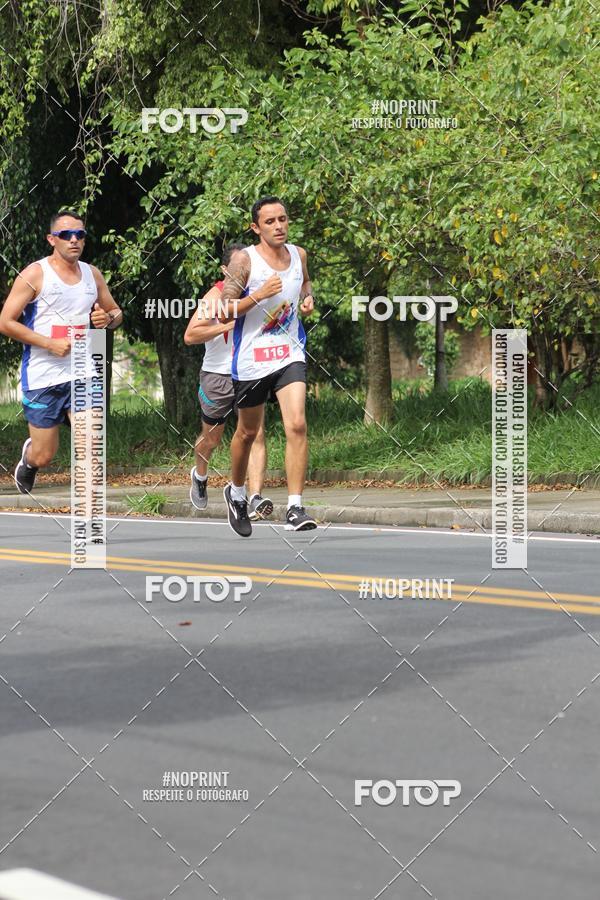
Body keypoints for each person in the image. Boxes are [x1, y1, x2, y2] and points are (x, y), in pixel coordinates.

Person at [0, 209, 122, 494]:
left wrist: (108, 319)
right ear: (51, 239)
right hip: (43, 375)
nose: (74, 240)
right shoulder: (35, 274)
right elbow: (5, 322)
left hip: (83, 370)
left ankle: (89, 514)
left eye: (80, 234)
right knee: (45, 454)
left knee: (91, 442)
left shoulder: (93, 275)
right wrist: (48, 343)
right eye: (66, 235)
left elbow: (116, 312)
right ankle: (29, 461)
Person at [218, 196, 316, 537]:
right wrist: (258, 295)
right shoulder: (246, 261)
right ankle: (237, 492)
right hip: (252, 359)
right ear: (255, 227)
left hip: (289, 352)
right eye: (270, 222)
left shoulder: (298, 255)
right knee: (247, 433)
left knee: (298, 424)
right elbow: (223, 311)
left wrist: (308, 299)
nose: (279, 226)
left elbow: (304, 282)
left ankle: (295, 506)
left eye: (283, 219)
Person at [184, 244, 281, 518]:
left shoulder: (259, 294)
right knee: (211, 438)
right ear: (226, 270)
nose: (244, 272)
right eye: (239, 267)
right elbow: (190, 335)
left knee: (255, 434)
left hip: (249, 373)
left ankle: (255, 496)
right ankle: (200, 475)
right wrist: (226, 325)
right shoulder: (215, 296)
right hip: (218, 375)